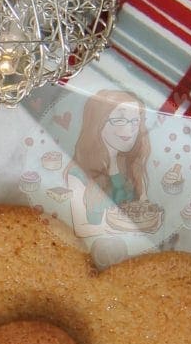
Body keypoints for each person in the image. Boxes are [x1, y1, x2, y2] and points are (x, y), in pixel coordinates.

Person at [55, 88, 155, 263]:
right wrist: (115, 226)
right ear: (98, 122)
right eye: (119, 119)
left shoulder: (133, 166)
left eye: (134, 121)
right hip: (91, 257)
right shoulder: (78, 172)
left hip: (135, 256)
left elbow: (144, 209)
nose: (129, 129)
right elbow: (80, 228)